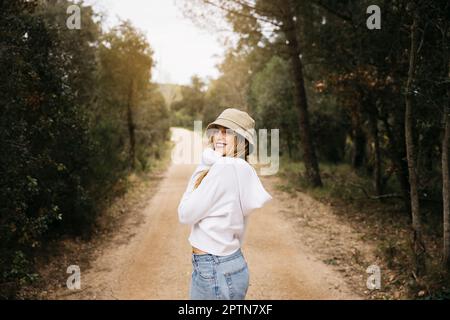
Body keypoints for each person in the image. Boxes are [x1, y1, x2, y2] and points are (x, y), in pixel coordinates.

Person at [177, 108, 273, 300]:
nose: (219, 136)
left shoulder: (222, 168)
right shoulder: (242, 169)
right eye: (217, 130)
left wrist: (204, 163)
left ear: (241, 140)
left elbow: (185, 214)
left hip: (214, 268)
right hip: (229, 263)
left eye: (227, 131)